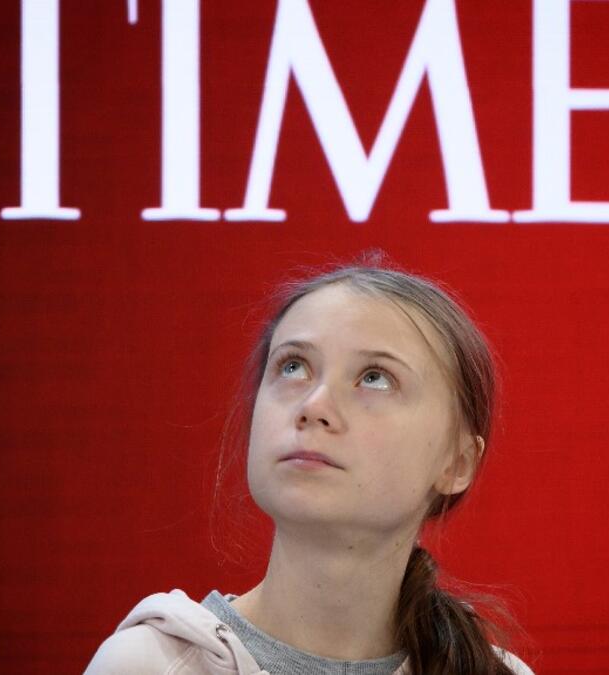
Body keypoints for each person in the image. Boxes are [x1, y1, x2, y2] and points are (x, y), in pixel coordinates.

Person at [83, 256, 536, 674]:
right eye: (293, 367)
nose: (314, 406)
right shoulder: (145, 664)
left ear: (457, 462)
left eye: (375, 377)